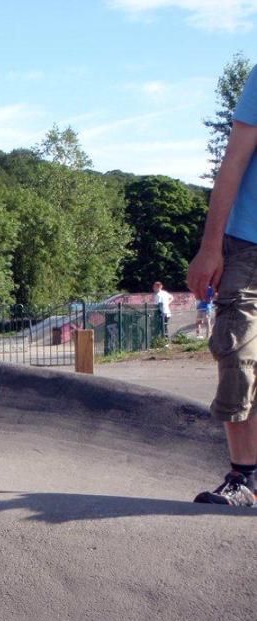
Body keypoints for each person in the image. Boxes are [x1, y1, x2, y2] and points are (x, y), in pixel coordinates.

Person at [186, 63, 257, 507]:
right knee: (239, 355)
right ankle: (245, 478)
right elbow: (233, 162)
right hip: (249, 245)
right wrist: (211, 247)